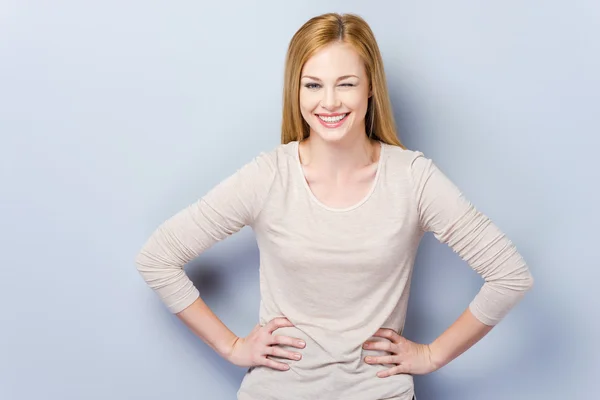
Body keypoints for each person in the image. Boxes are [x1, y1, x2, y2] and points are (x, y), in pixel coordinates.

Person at [135, 12, 534, 400]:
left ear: (370, 87)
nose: (329, 102)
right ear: (296, 89)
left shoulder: (413, 179)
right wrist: (233, 347)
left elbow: (509, 276)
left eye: (346, 84)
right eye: (313, 85)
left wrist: (432, 355)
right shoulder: (269, 176)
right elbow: (158, 258)